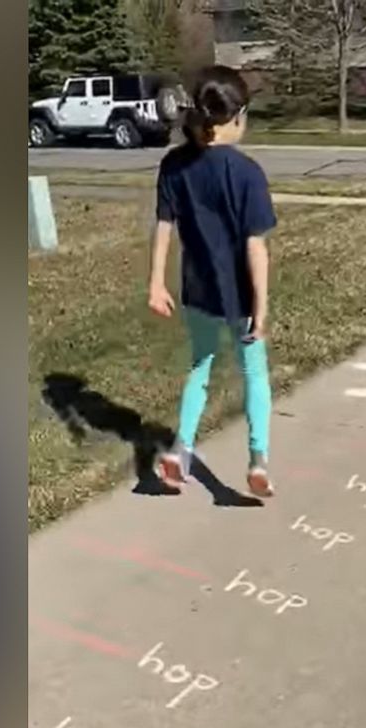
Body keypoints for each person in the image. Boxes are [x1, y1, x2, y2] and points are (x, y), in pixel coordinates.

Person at [148, 65, 277, 498]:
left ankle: (179, 452)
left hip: (197, 293)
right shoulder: (247, 174)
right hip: (238, 297)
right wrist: (260, 308)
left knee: (199, 369)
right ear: (235, 118)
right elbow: (255, 248)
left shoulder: (174, 165)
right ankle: (258, 460)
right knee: (254, 375)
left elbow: (163, 225)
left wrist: (156, 283)